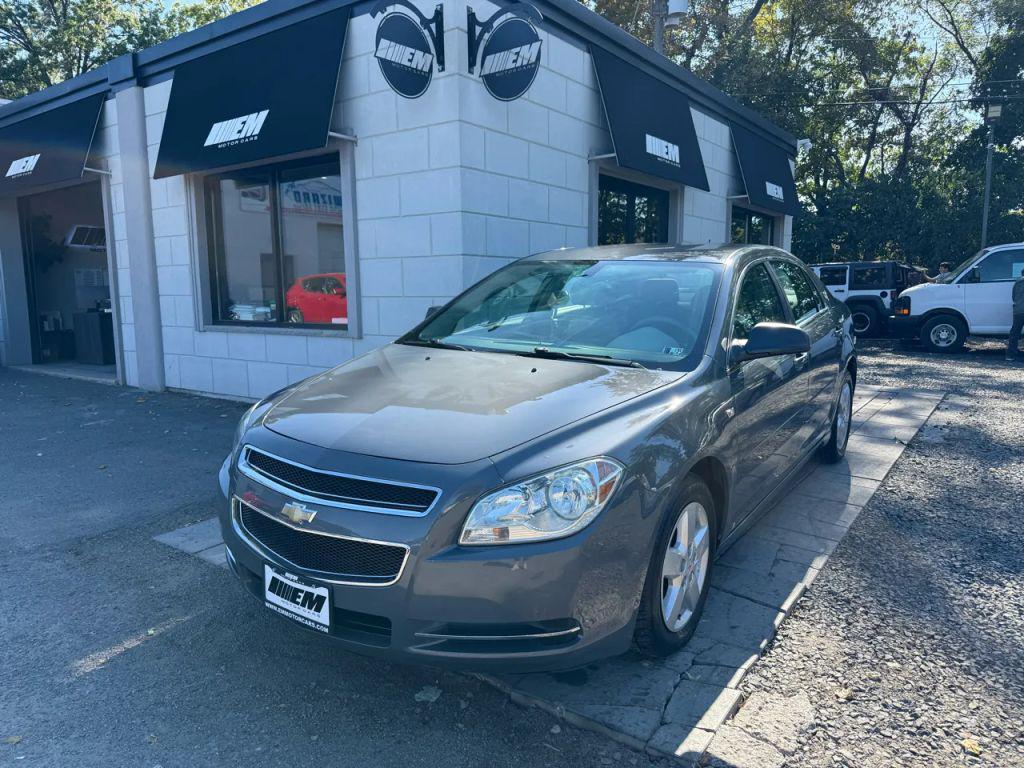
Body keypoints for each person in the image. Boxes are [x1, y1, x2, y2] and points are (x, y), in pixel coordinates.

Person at [1008, 267, 1024, 361]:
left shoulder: (1017, 283)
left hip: (1018, 311)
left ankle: (1010, 354)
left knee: (1014, 332)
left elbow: (1013, 297)